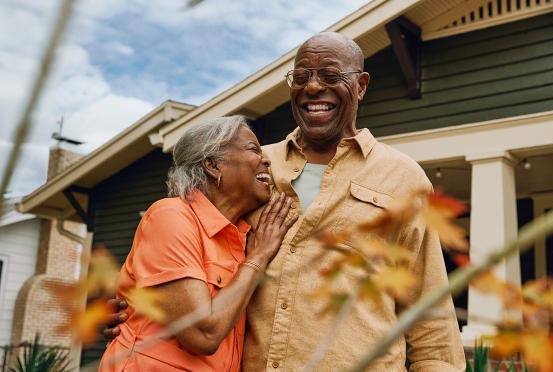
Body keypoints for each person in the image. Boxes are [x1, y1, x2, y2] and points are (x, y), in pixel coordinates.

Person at [105, 32, 466, 371]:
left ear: (361, 85)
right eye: (301, 76)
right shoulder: (255, 167)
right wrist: (139, 310)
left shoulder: (403, 176)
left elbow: (428, 306)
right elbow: (185, 239)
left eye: (329, 75)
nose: (312, 87)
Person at [99, 115, 298, 371]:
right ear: (213, 166)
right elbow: (203, 334)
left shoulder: (240, 237)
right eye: (253, 149)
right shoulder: (170, 216)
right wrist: (259, 257)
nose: (267, 159)